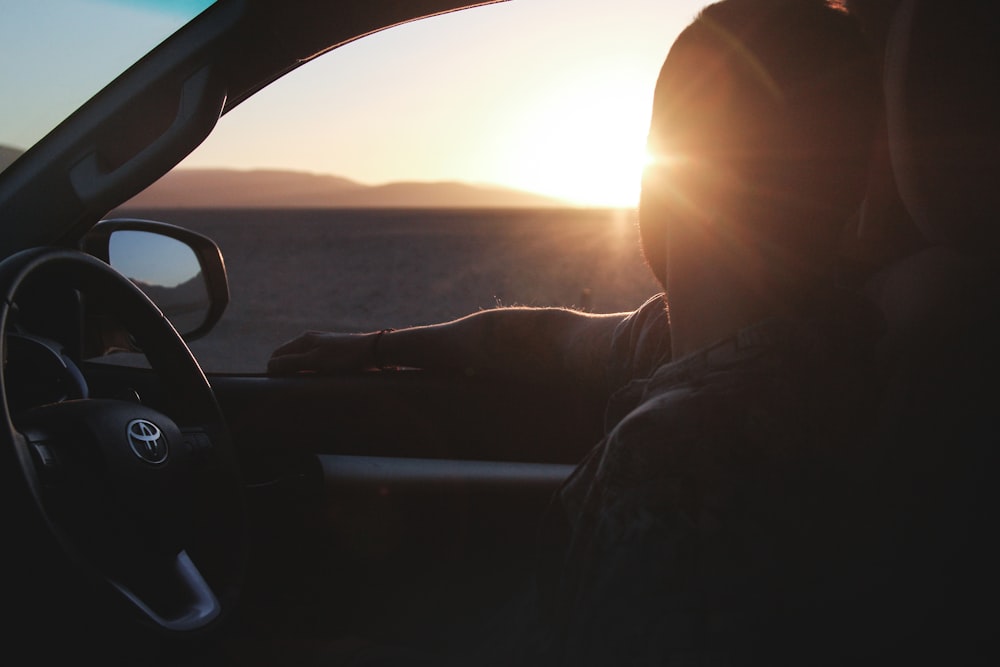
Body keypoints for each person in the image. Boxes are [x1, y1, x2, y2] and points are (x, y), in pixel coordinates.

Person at [270, 0, 882, 663]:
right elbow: (553, 338)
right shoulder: (778, 339)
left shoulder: (679, 451)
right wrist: (379, 346)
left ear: (670, 182)